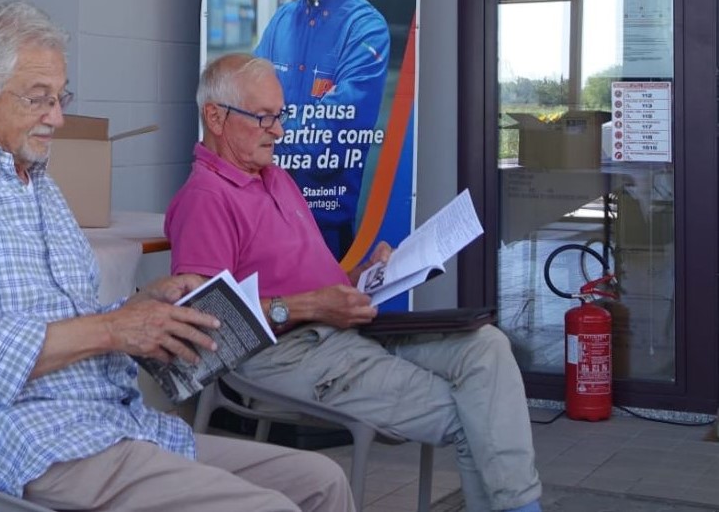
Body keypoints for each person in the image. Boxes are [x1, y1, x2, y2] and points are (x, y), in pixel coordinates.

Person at [0, 1, 355, 512]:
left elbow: (70, 319)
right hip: (34, 446)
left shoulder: (37, 186)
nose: (57, 117)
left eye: (60, 97)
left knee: (321, 482)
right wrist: (115, 328)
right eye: (39, 98)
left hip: (111, 424)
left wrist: (143, 306)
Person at [166, 54, 543, 512]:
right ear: (215, 117)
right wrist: (311, 307)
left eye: (281, 115)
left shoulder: (274, 178)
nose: (279, 131)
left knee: (486, 347)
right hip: (285, 352)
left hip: (344, 331)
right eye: (264, 117)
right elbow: (207, 326)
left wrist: (365, 275)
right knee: (474, 417)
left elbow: (311, 280)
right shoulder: (205, 199)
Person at [254, 0, 392, 260]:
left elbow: (329, 136)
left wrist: (258, 135)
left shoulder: (366, 28)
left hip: (324, 233)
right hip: (265, 220)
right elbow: (241, 102)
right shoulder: (281, 22)